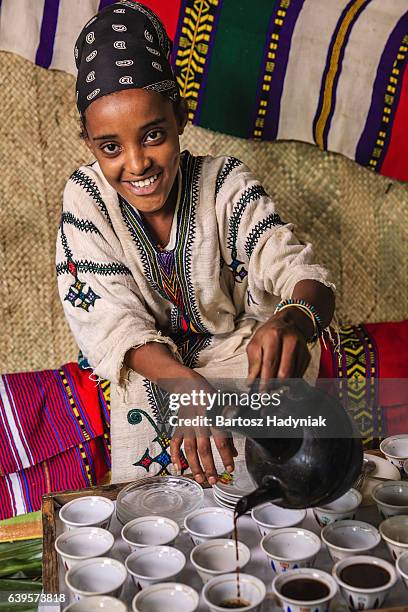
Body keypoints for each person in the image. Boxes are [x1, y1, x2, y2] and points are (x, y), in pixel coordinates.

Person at [56, 1, 335, 486]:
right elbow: (112, 323)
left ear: (181, 117)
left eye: (154, 135)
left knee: (281, 390)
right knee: (142, 409)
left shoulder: (225, 183)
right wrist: (185, 385)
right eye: (111, 147)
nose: (137, 163)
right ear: (88, 143)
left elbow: (301, 273)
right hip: (147, 367)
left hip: (232, 353)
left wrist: (294, 319)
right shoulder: (87, 199)